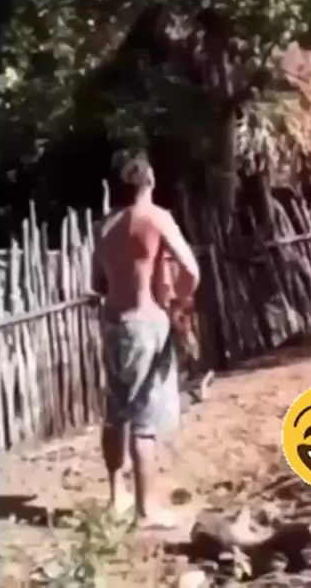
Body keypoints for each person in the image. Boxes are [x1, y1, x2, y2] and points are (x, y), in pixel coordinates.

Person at [91, 148, 200, 528]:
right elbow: (191, 269)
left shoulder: (104, 226)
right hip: (144, 323)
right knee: (144, 419)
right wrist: (179, 301)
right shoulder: (155, 217)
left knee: (115, 414)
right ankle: (146, 510)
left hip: (112, 323)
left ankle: (116, 496)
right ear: (147, 180)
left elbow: (98, 283)